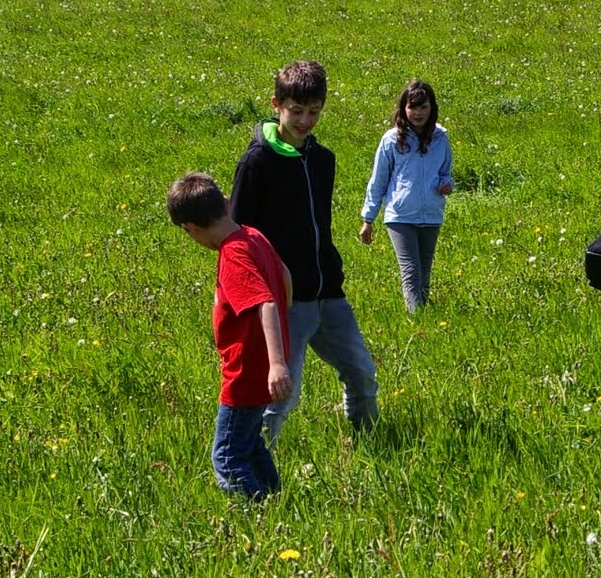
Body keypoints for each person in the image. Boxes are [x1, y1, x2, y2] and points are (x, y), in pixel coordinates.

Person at [231, 60, 379, 440]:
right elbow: (238, 236)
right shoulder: (256, 162)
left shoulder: (323, 160)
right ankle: (254, 461)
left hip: (328, 292)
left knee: (362, 373)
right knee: (282, 392)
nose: (305, 121)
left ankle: (368, 441)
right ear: (276, 104)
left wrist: (329, 270)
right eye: (296, 110)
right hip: (286, 299)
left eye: (314, 112)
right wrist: (257, 292)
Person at [166, 172, 293, 499]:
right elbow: (284, 275)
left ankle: (254, 514)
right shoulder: (253, 236)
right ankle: (274, 502)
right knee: (249, 444)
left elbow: (264, 301)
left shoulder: (233, 254)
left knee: (227, 457)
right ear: (224, 203)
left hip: (246, 373)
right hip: (260, 368)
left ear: (190, 228)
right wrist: (283, 323)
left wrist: (276, 364)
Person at [359, 80, 454, 312]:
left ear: (432, 108)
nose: (418, 113)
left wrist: (446, 185)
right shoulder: (391, 139)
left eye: (423, 107)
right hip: (400, 216)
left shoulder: (441, 138)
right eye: (412, 107)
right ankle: (416, 318)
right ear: (403, 108)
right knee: (411, 271)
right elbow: (378, 180)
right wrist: (368, 219)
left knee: (424, 273)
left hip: (431, 214)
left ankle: (423, 318)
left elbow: (445, 172)